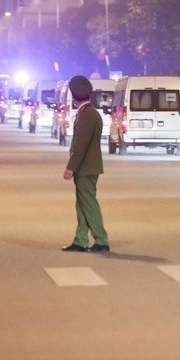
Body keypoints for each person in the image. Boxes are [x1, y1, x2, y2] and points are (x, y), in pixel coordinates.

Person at [61, 75, 109, 253]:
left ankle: (101, 239)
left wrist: (70, 167)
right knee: (82, 204)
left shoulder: (87, 115)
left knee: (88, 203)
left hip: (85, 167)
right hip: (88, 167)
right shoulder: (90, 113)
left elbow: (81, 145)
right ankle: (80, 239)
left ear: (74, 97)